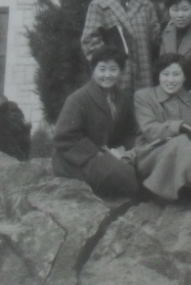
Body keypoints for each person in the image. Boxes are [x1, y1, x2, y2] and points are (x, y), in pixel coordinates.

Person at [52, 46, 142, 201]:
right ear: (93, 71)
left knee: (141, 167)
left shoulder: (123, 98)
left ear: (121, 71)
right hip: (76, 160)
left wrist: (125, 150)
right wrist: (98, 153)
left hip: (106, 154)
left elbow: (129, 131)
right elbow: (63, 137)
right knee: (125, 176)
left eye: (113, 69)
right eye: (102, 69)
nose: (107, 75)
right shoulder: (78, 99)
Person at [132, 53, 191, 202]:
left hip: (188, 157)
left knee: (185, 145)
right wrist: (180, 127)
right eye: (165, 74)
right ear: (159, 76)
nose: (170, 80)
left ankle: (183, 187)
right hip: (152, 153)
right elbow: (150, 130)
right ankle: (174, 189)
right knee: (181, 142)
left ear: (184, 77)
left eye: (176, 74)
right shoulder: (143, 97)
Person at [81, 0, 161, 95]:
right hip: (114, 76)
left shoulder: (146, 6)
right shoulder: (99, 5)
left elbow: (156, 39)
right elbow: (89, 41)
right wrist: (109, 65)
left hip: (143, 75)